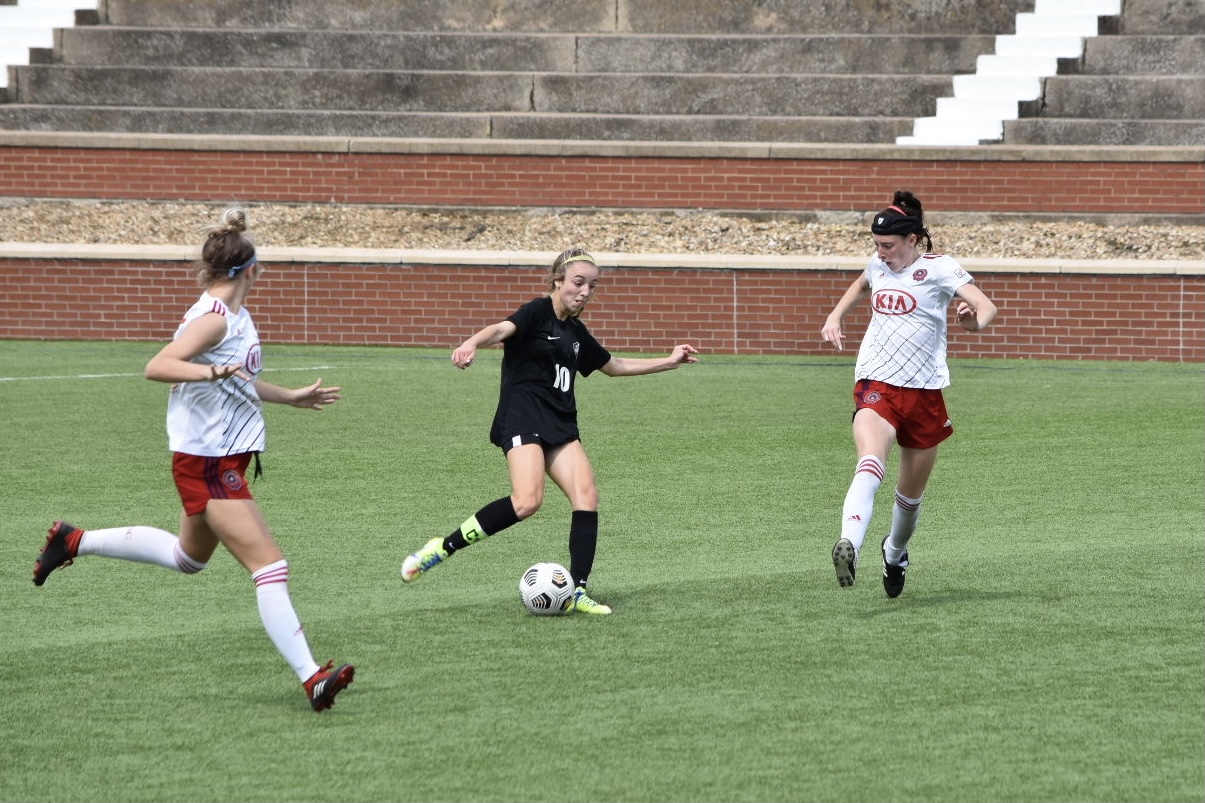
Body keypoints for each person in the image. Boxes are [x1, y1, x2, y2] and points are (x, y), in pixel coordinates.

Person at [32, 207, 355, 712]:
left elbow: (238, 378)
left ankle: (74, 540)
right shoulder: (213, 319)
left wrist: (288, 396)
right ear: (251, 269)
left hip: (219, 457)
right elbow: (158, 365)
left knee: (189, 559)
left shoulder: (236, 316)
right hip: (207, 463)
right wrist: (212, 373)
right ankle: (312, 676)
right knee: (271, 567)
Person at [400, 247, 699, 613]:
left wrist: (668, 362)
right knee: (527, 501)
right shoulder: (536, 312)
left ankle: (578, 591)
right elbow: (502, 328)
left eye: (592, 285)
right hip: (523, 416)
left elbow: (614, 365)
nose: (585, 291)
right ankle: (441, 548)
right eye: (578, 282)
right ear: (558, 280)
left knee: (586, 498)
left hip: (560, 422)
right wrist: (473, 341)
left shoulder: (576, 332)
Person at [820, 191, 997, 598]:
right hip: (876, 384)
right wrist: (834, 316)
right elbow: (861, 284)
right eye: (876, 246)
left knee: (908, 500)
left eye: (888, 245)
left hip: (924, 393)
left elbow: (986, 308)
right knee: (869, 460)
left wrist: (972, 323)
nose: (880, 254)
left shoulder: (940, 269)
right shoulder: (877, 264)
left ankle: (894, 552)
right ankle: (850, 544)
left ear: (913, 240)